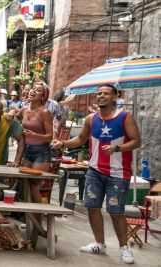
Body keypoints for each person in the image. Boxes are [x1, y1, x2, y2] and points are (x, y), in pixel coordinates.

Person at [52, 84, 141, 265]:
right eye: (99, 93)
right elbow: (80, 139)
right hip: (94, 170)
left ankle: (124, 248)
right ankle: (99, 244)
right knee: (92, 208)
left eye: (106, 94)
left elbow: (136, 141)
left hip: (118, 173)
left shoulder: (125, 117)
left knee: (116, 212)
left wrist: (117, 148)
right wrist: (63, 144)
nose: (101, 96)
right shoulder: (91, 118)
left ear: (115, 97)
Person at [15, 82, 53, 203]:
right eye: (33, 89)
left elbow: (50, 137)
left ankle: (37, 220)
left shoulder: (45, 112)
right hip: (27, 151)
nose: (33, 91)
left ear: (43, 97)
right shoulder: (24, 109)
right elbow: (16, 118)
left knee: (33, 188)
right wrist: (11, 113)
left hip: (41, 153)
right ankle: (27, 219)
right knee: (23, 186)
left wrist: (34, 135)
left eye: (38, 90)